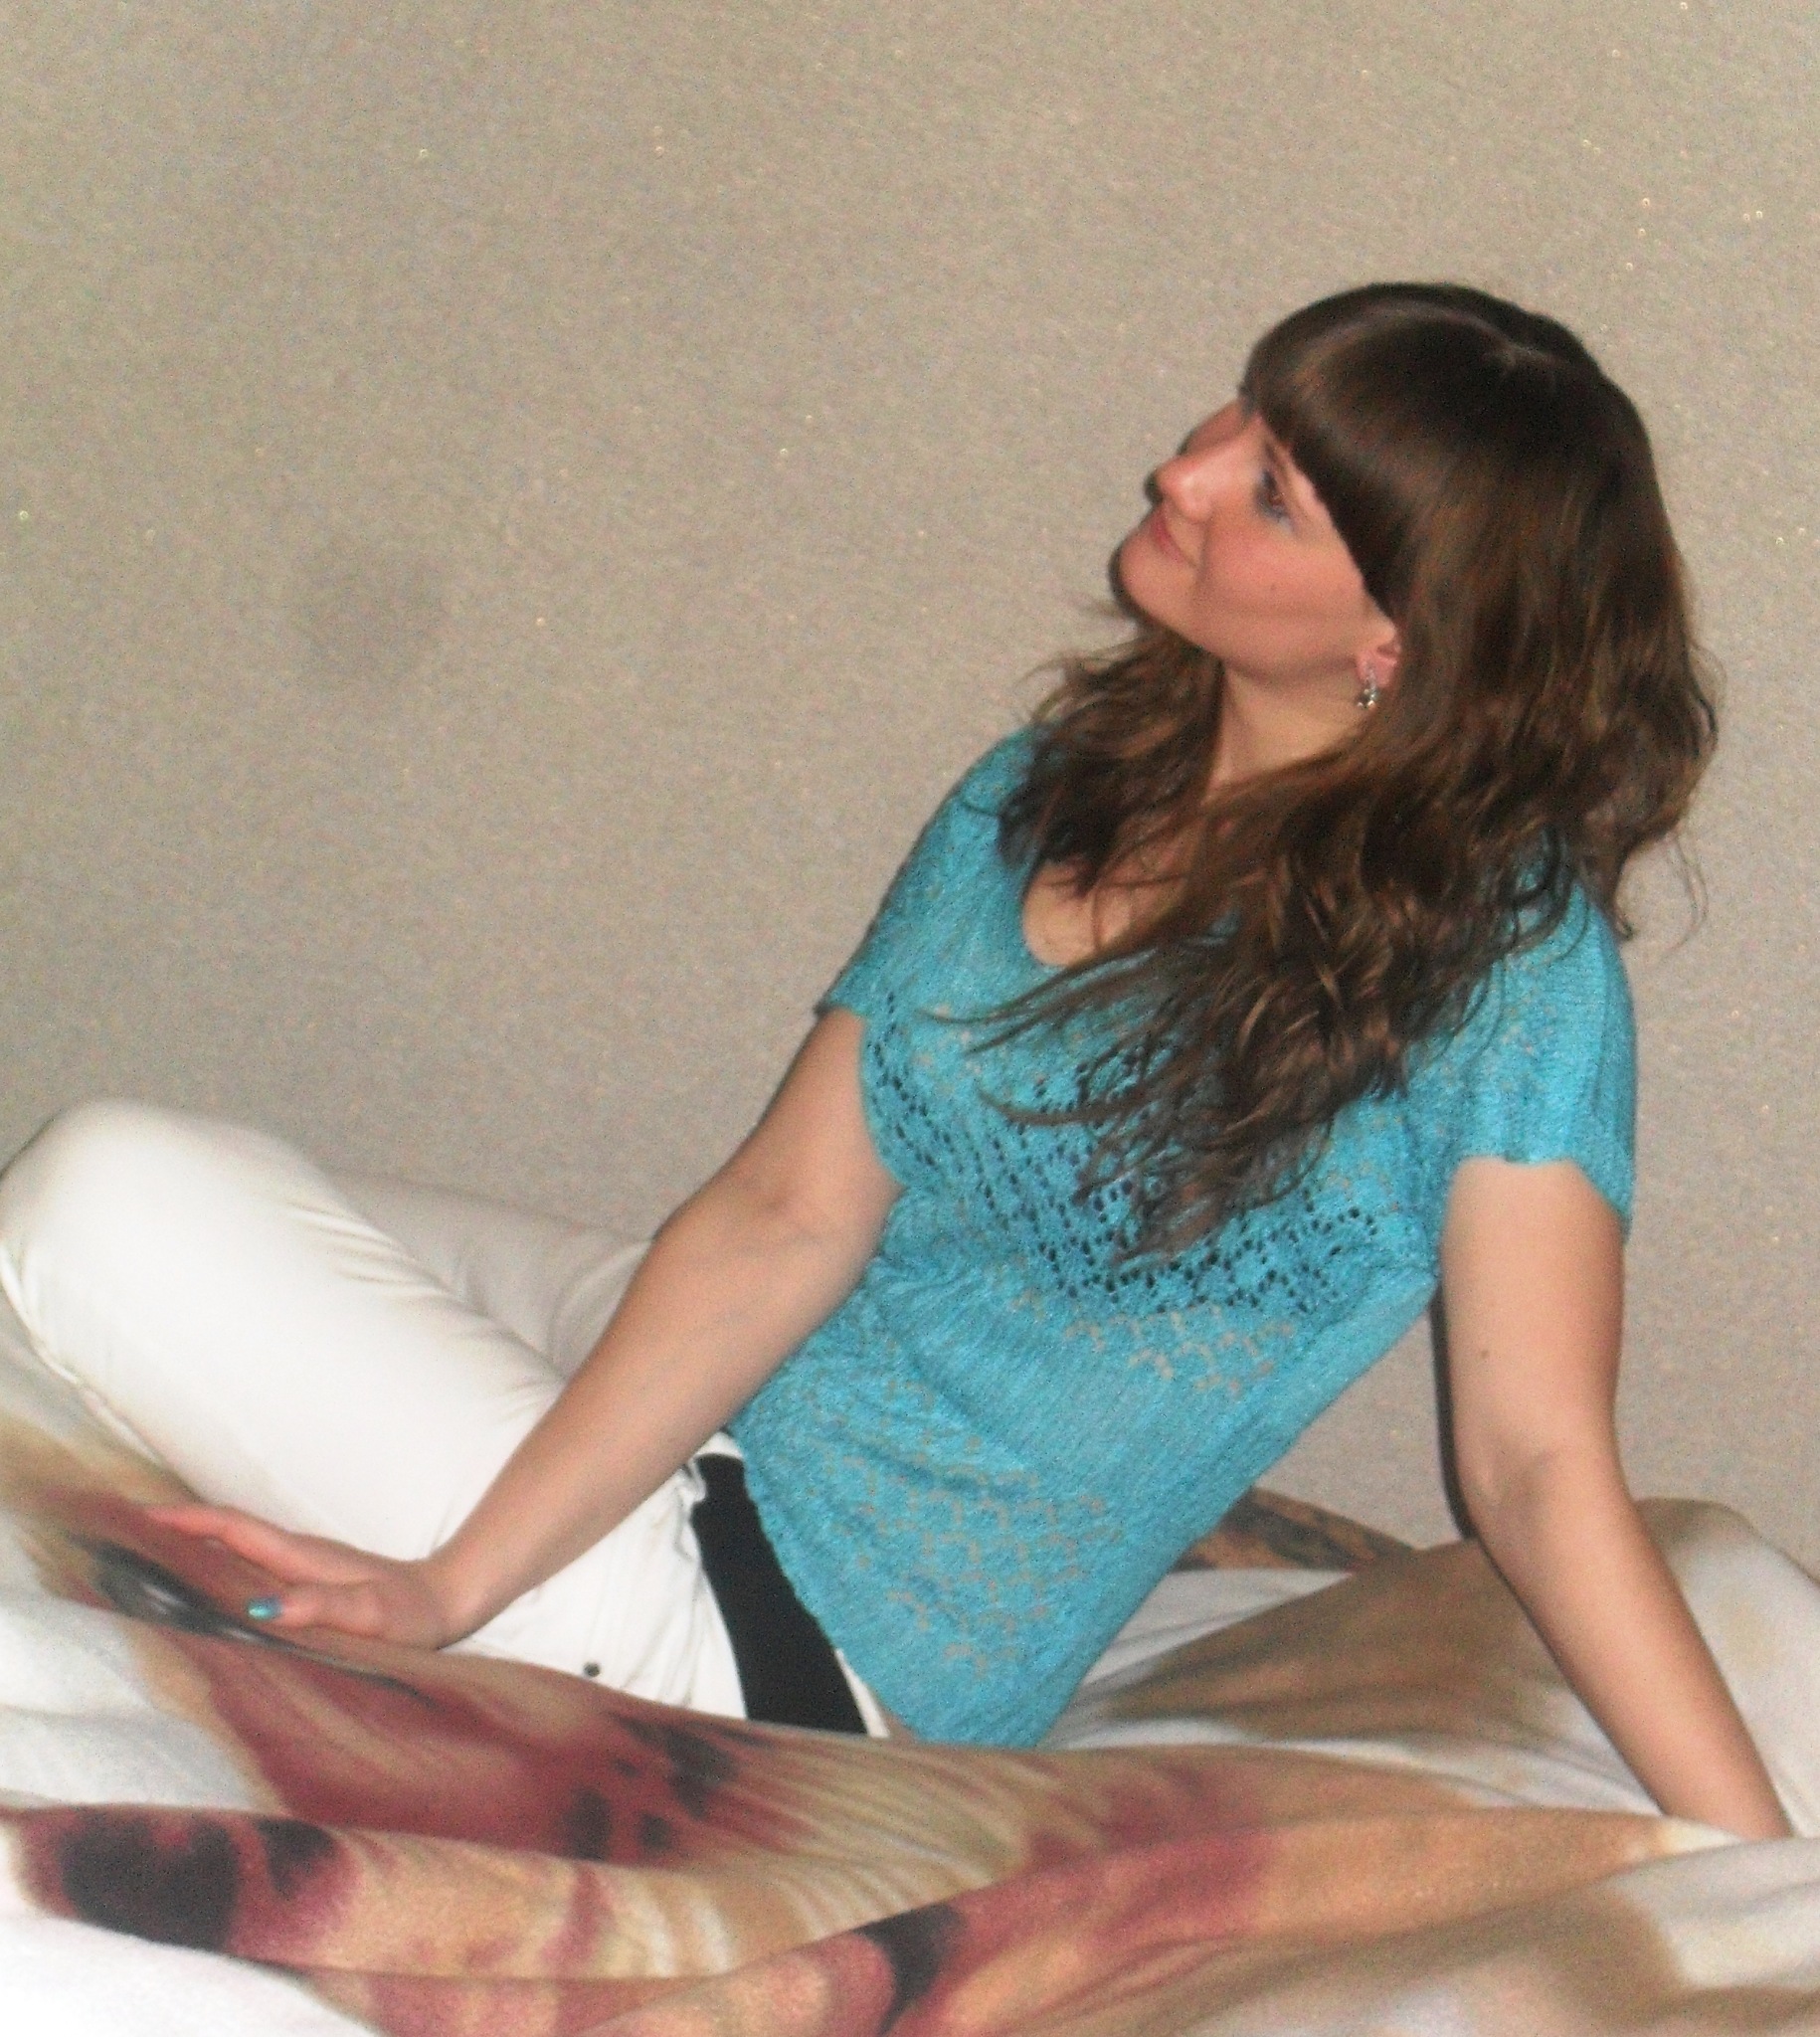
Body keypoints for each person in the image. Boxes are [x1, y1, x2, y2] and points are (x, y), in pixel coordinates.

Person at [0, 282, 1790, 1837]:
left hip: (806, 1630)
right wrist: (469, 1565)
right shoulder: (1053, 785)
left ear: (1395, 637)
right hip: (766, 1396)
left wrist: (1764, 1873)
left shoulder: (1503, 966)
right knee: (240, 1192)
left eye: (1270, 495)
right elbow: (791, 1209)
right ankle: (532, 1489)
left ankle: (544, 1548)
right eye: (1238, 417)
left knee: (103, 1189)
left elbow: (1535, 1465)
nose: (1180, 472)